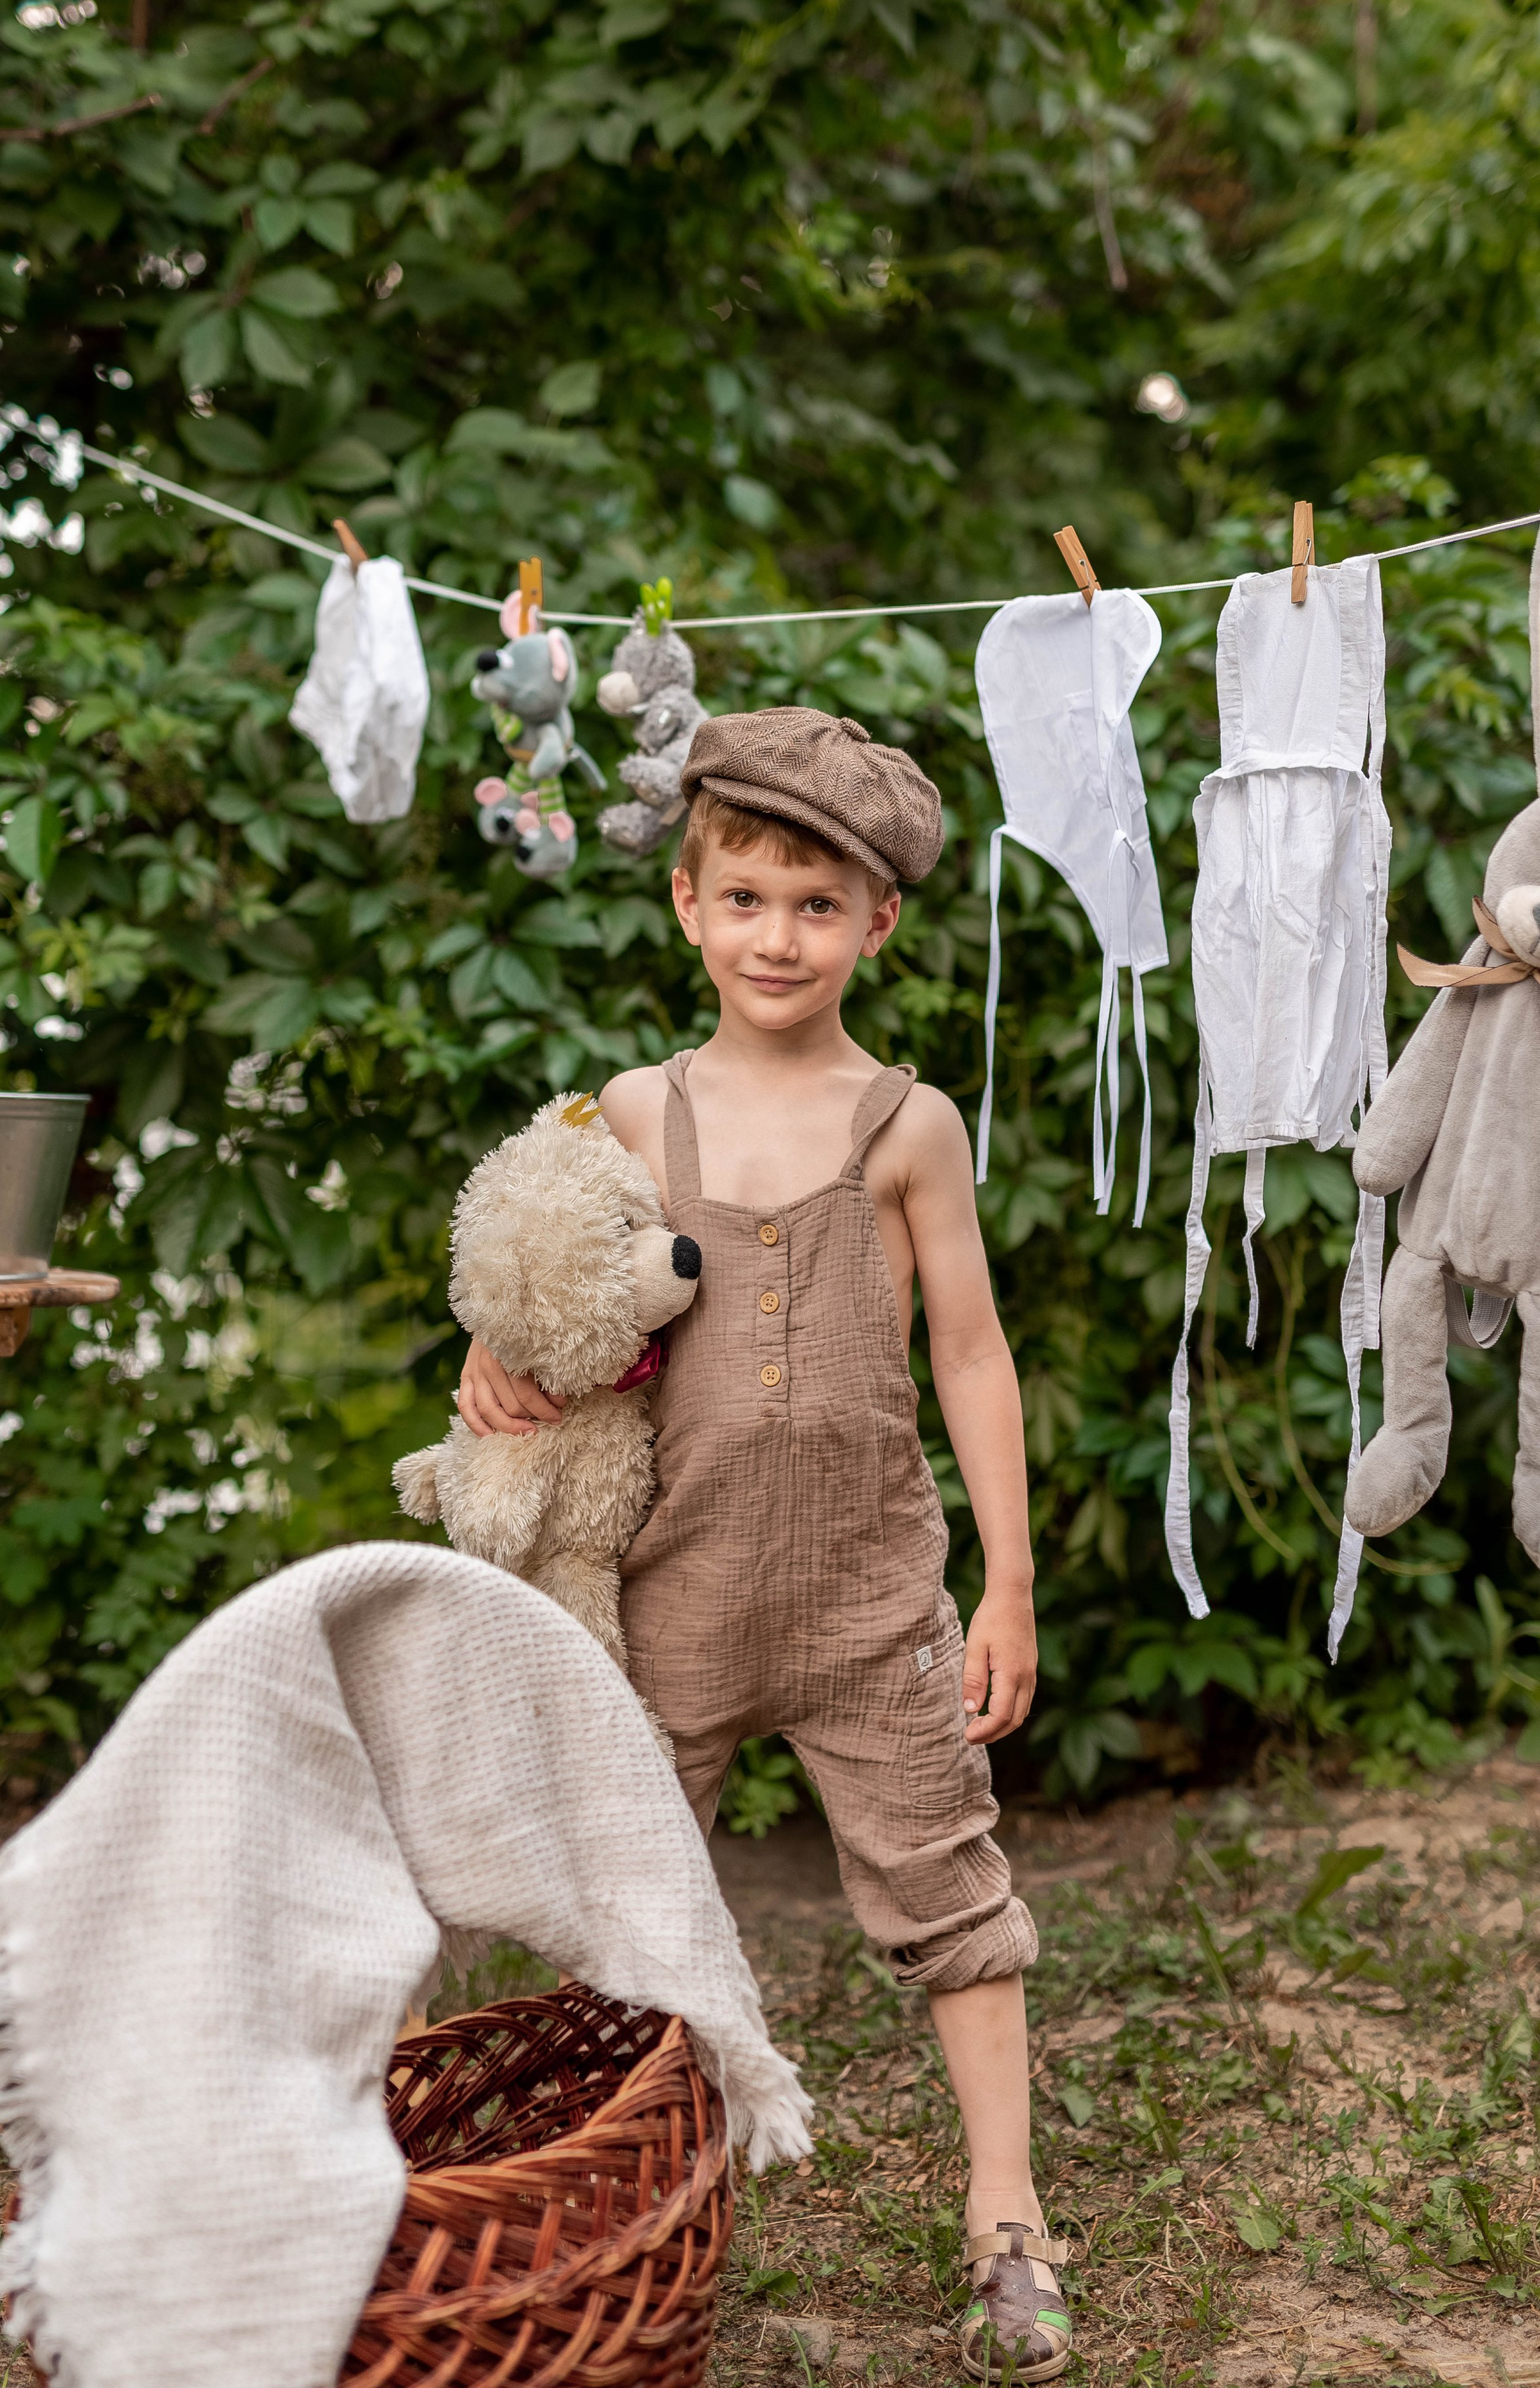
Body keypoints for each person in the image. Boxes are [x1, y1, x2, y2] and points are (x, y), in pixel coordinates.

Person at [455, 705, 1068, 2382]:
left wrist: (1002, 1582)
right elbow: (545, 1290)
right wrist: (488, 1355)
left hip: (873, 1594)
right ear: (685, 905)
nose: (775, 936)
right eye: (745, 898)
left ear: (877, 921)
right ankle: (610, 2204)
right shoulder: (636, 1113)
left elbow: (969, 1354)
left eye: (816, 904)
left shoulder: (907, 1125)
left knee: (949, 1889)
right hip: (675, 1592)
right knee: (620, 1901)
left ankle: (1005, 2215)